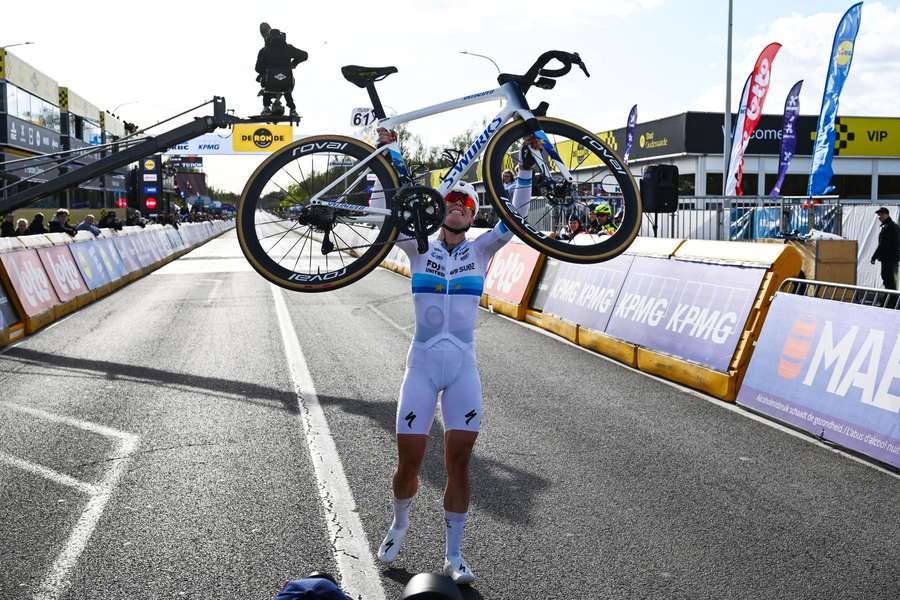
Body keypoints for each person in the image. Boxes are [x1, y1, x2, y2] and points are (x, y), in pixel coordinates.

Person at [372, 127, 535, 584]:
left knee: (459, 462)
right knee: (409, 463)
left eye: (467, 205)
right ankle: (399, 525)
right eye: (451, 203)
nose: (459, 208)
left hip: (463, 366)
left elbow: (519, 216)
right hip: (421, 365)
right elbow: (393, 203)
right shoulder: (415, 245)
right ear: (440, 209)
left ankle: (454, 554)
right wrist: (391, 150)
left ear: (474, 214)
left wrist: (523, 169)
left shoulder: (483, 250)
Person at [255, 27, 308, 118]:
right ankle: (292, 109)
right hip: (287, 82)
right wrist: (294, 63)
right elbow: (304, 55)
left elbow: (257, 69)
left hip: (269, 83)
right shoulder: (288, 48)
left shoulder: (264, 51)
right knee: (286, 88)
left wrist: (265, 70)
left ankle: (266, 107)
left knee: (266, 82)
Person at [871, 206, 899, 290]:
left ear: (887, 215)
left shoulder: (889, 227)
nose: (880, 217)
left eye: (881, 215)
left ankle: (892, 301)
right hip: (891, 258)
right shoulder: (892, 226)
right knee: (889, 280)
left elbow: (883, 245)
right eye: (879, 215)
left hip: (888, 258)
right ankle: (888, 300)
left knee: (889, 280)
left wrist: (874, 257)